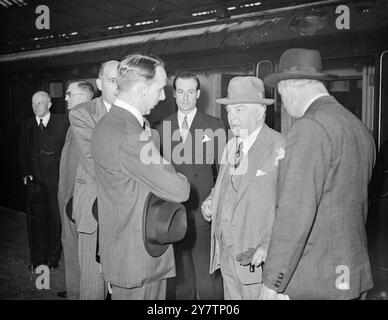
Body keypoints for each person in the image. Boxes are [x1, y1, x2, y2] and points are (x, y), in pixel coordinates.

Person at [259, 48, 376, 300]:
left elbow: (294, 215)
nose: (285, 105)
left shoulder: (309, 127)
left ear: (289, 88)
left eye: (281, 96)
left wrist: (272, 283)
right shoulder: (359, 128)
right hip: (351, 275)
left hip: (315, 281)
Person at [91, 53, 190, 300]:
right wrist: (163, 160)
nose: (164, 96)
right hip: (139, 258)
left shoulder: (106, 123)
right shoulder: (132, 135)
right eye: (160, 88)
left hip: (120, 249)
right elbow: (180, 189)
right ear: (142, 90)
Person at [201, 76, 285, 299]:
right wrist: (211, 201)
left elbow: (291, 207)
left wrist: (268, 244)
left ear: (260, 112)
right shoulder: (230, 145)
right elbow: (225, 186)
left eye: (239, 110)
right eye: (229, 112)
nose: (232, 118)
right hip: (227, 255)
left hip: (257, 259)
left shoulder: (279, 146)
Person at [156, 71, 225, 300]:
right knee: (180, 278)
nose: (185, 98)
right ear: (174, 94)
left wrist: (213, 199)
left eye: (190, 92)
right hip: (173, 213)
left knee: (207, 277)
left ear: (198, 94)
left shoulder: (215, 125)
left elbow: (224, 170)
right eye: (180, 92)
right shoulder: (161, 128)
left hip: (203, 212)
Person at [69, 61, 119, 300]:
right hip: (93, 211)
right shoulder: (83, 113)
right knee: (92, 287)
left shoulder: (138, 117)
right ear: (99, 84)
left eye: (123, 80)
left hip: (123, 216)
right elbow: (94, 162)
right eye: (112, 80)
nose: (118, 85)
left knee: (121, 285)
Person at [19, 91, 68, 270]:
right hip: (36, 183)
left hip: (57, 182)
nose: (36, 107)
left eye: (40, 103)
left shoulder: (63, 123)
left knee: (56, 221)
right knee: (37, 221)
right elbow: (22, 151)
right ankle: (38, 259)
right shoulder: (27, 125)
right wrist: (26, 174)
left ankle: (53, 257)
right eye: (33, 104)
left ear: (49, 104)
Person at [57, 80, 94, 299]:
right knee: (71, 250)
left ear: (82, 97)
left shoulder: (87, 121)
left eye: (69, 94)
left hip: (78, 201)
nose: (65, 98)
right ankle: (74, 291)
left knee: (82, 254)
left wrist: (72, 198)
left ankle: (80, 293)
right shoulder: (74, 122)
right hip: (68, 197)